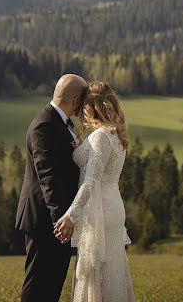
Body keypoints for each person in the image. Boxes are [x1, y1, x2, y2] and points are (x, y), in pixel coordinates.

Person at [53, 81, 136, 301]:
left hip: (99, 211)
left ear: (91, 106)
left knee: (93, 273)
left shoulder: (100, 136)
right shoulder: (115, 134)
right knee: (111, 271)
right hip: (112, 206)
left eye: (83, 106)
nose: (80, 111)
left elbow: (91, 180)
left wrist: (71, 215)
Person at [16, 74, 86, 302]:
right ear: (76, 100)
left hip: (58, 219)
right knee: (38, 285)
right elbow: (47, 175)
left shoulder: (62, 124)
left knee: (52, 285)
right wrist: (61, 219)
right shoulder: (44, 125)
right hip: (45, 219)